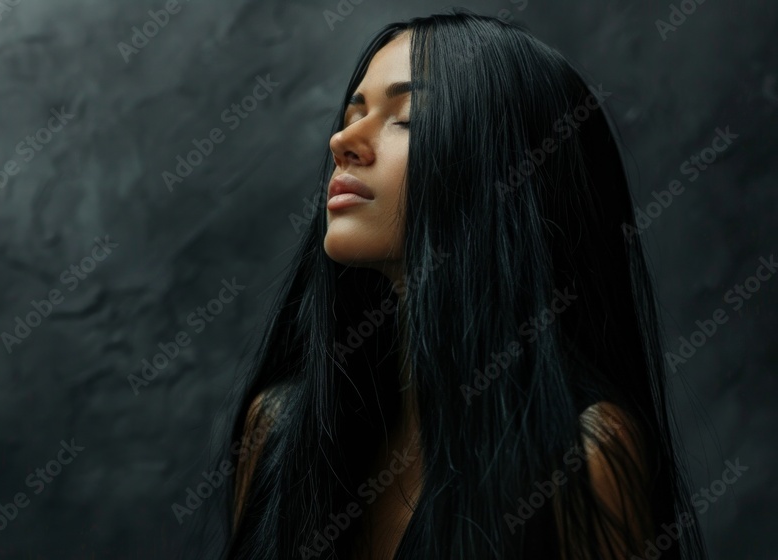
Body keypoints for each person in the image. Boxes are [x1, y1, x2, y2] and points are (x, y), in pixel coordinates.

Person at [206, 11, 708, 560]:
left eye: (407, 118)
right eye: (354, 113)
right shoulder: (279, 433)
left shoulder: (581, 457)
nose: (343, 141)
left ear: (509, 175)